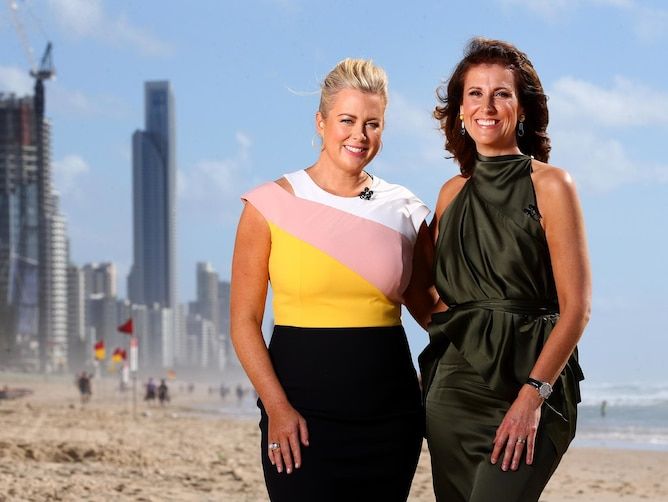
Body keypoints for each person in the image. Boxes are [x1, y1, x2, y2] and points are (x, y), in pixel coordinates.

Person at [231, 58, 436, 502]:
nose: (359, 135)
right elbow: (244, 323)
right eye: (347, 120)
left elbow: (433, 312)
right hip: (298, 416)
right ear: (321, 122)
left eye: (372, 124)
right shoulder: (267, 206)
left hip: (390, 418)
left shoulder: (405, 208)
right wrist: (277, 408)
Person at [419, 37, 591, 502]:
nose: (487, 106)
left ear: (523, 107)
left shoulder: (552, 185)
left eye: (502, 93)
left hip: (531, 385)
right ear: (459, 109)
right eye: (475, 93)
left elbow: (577, 309)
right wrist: (456, 335)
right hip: (453, 392)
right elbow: (426, 291)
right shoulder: (451, 193)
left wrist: (533, 396)